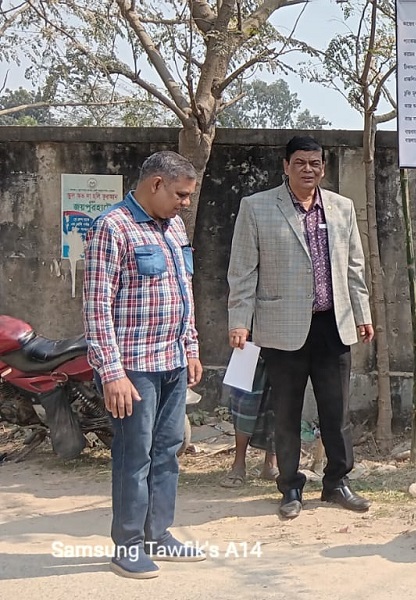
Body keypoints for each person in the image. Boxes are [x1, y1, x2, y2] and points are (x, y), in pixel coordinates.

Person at [228, 135, 375, 520]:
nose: (308, 170)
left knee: (336, 411)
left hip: (333, 325)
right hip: (282, 328)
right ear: (285, 166)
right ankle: (290, 486)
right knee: (287, 412)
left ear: (323, 168)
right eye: (300, 163)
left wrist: (363, 314)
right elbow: (243, 272)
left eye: (315, 164)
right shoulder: (257, 207)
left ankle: (337, 483)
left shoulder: (341, 208)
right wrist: (240, 323)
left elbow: (354, 268)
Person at [83, 151, 206, 578]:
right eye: (180, 194)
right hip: (133, 368)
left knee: (169, 451)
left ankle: (159, 533)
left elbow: (184, 293)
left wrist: (190, 347)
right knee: (134, 455)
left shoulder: (174, 227)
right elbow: (97, 309)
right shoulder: (111, 228)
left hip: (172, 360)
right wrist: (111, 373)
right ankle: (129, 544)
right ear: (155, 184)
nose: (185, 203)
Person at [219, 356, 278, 488]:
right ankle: (238, 465)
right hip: (250, 345)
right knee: (244, 404)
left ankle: (271, 464)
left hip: (286, 345)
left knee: (278, 405)